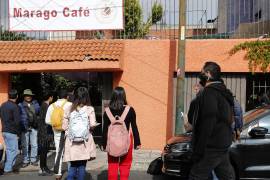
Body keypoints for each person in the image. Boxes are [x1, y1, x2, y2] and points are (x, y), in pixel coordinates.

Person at [189, 62, 235, 180]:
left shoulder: (210, 93)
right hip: (222, 143)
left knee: (196, 175)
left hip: (211, 146)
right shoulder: (223, 92)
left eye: (202, 72)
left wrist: (198, 150)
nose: (200, 75)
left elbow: (208, 123)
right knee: (226, 176)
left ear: (208, 74)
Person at [102, 86, 141, 180]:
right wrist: (137, 142)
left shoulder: (107, 111)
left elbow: (105, 130)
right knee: (125, 164)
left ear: (113, 96)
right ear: (124, 96)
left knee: (112, 164)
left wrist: (103, 144)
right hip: (127, 140)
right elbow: (134, 127)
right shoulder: (130, 110)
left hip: (111, 141)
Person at [62, 87, 97, 180]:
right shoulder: (90, 109)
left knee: (72, 166)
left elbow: (64, 126)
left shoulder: (69, 108)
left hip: (71, 141)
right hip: (84, 142)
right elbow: (93, 124)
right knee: (82, 166)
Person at [45, 89, 72, 180]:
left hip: (56, 131)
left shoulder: (51, 106)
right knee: (69, 151)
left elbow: (47, 121)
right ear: (67, 97)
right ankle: (70, 171)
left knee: (59, 151)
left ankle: (58, 173)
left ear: (57, 97)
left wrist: (55, 124)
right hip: (68, 131)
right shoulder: (70, 105)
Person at [0, 89, 21, 174]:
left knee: (9, 150)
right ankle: (8, 168)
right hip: (12, 132)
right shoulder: (15, 106)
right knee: (15, 151)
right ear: (17, 96)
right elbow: (17, 122)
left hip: (4, 130)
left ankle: (8, 166)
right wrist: (18, 133)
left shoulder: (3, 105)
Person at [18, 89, 40, 168]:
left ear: (31, 96)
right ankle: (25, 160)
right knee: (25, 145)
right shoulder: (20, 105)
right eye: (26, 95)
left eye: (29, 95)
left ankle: (33, 160)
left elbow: (38, 111)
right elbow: (19, 117)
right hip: (25, 127)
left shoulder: (36, 104)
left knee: (34, 144)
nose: (28, 97)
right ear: (24, 96)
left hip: (34, 127)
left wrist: (32, 106)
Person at [38, 91, 54, 176]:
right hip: (45, 131)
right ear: (50, 97)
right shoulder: (47, 106)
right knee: (44, 150)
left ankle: (43, 167)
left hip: (41, 130)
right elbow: (47, 119)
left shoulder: (42, 105)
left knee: (43, 151)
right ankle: (43, 168)